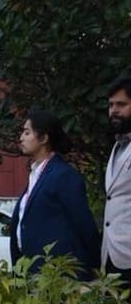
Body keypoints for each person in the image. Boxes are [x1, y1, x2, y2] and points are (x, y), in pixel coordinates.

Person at [9, 109, 100, 277]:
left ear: (44, 138)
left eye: (27, 132)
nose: (21, 138)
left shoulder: (63, 175)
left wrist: (94, 266)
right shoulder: (36, 174)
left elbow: (83, 223)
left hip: (58, 275)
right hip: (32, 270)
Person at [102, 73, 131, 288]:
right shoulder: (118, 146)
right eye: (111, 105)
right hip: (112, 254)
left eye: (121, 104)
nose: (114, 110)